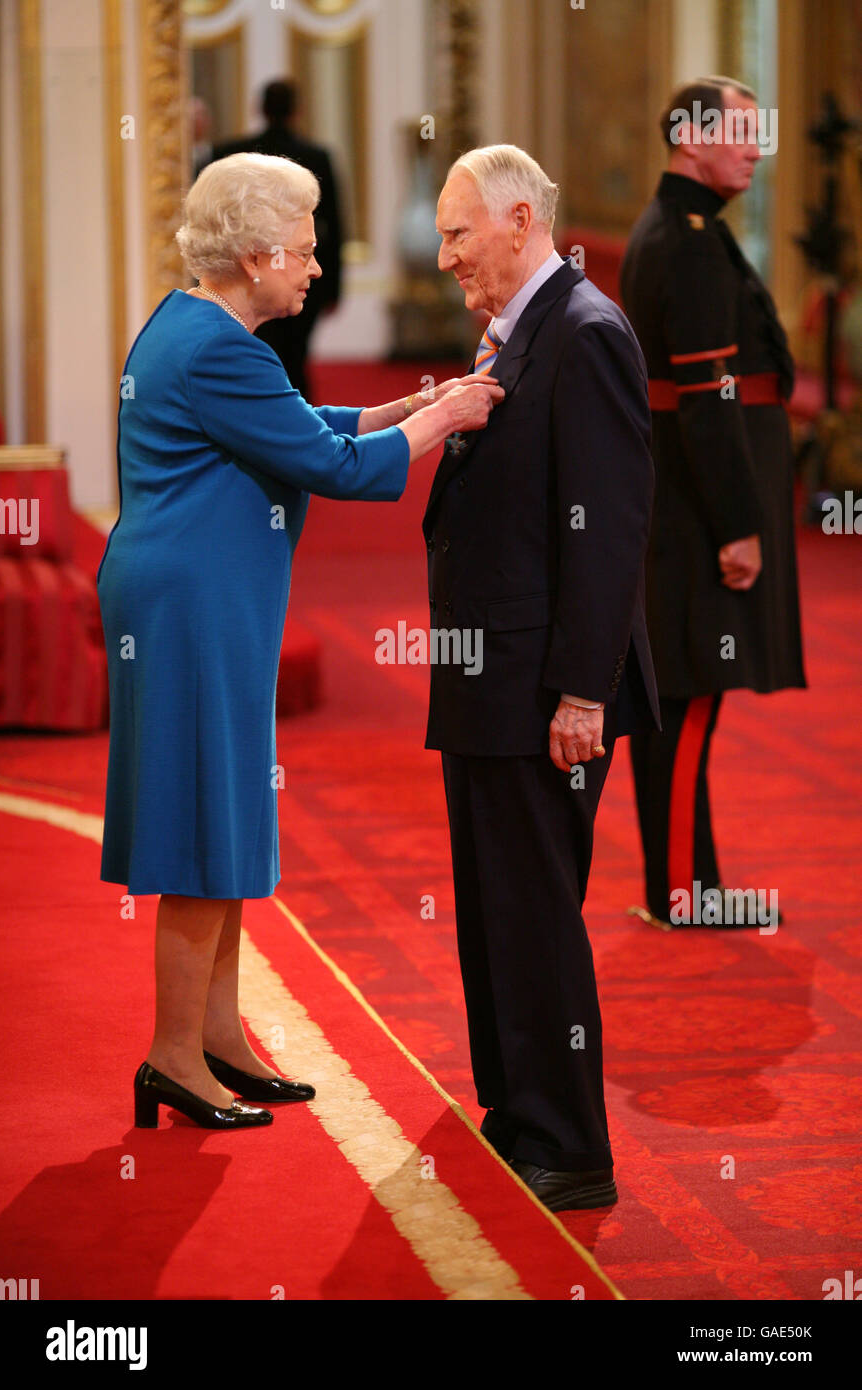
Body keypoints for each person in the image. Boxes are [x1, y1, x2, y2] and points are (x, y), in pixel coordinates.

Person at [97, 151, 502, 1131]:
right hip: (193, 604)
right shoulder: (220, 346)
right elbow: (335, 468)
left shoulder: (193, 323)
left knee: (225, 810)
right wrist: (447, 413)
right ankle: (171, 1053)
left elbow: (290, 426)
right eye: (308, 249)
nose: (316, 268)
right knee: (203, 821)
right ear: (253, 252)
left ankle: (218, 1036)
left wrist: (396, 409)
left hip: (192, 594)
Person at [427, 145, 659, 1211]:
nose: (444, 257)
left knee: (534, 914)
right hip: (487, 681)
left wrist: (581, 691)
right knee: (494, 907)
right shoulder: (527, 329)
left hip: (539, 692)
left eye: (457, 234)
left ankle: (571, 1144)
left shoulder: (585, 332)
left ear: (520, 221)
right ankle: (519, 1108)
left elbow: (608, 535)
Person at [620, 78, 806, 931]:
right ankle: (683, 893)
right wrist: (740, 525)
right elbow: (706, 397)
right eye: (742, 132)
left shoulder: (687, 228)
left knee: (689, 700)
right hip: (702, 510)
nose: (757, 149)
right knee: (691, 699)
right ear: (691, 138)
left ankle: (686, 882)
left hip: (688, 499)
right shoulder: (689, 241)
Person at [208, 79, 343, 401]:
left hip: (246, 275)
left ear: (260, 108)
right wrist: (334, 286)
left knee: (256, 351)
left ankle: (266, 412)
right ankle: (298, 421)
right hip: (300, 271)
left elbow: (218, 225)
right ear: (297, 111)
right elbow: (335, 226)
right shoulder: (317, 156)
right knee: (296, 360)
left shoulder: (230, 154)